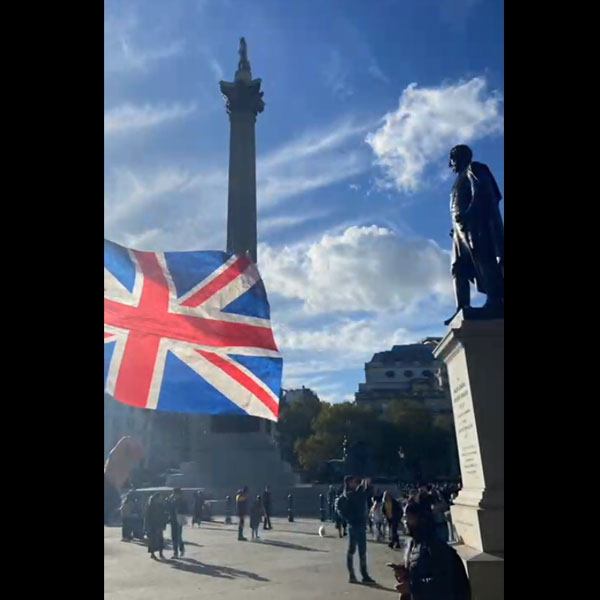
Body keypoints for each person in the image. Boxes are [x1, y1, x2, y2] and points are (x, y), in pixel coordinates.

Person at [445, 144, 504, 325]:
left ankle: (495, 302)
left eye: (452, 159)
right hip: (460, 230)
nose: (450, 164)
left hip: (476, 224)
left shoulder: (475, 168)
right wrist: (456, 229)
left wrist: (470, 214)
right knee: (458, 267)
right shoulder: (457, 181)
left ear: (460, 157)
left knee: (483, 258)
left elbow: (482, 191)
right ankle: (461, 307)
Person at [391, 499, 471, 600]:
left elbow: (445, 583)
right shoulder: (412, 544)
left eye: (409, 517)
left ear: (421, 519)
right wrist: (404, 572)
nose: (405, 522)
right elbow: (420, 573)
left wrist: (412, 587)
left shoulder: (435, 547)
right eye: (404, 517)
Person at [335, 475, 376, 585]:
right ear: (348, 483)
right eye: (353, 482)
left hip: (359, 524)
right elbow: (340, 509)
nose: (355, 484)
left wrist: (367, 485)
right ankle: (353, 575)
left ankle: (363, 574)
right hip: (354, 525)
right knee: (352, 550)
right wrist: (350, 518)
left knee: (361, 551)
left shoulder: (355, 494)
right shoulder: (347, 496)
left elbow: (367, 494)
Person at [167, 488, 188, 559]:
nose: (174, 495)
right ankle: (175, 552)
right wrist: (169, 500)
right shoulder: (172, 501)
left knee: (178, 536)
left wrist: (179, 510)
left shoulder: (182, 501)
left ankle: (181, 549)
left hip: (179, 520)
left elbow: (185, 510)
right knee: (173, 537)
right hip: (173, 520)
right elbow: (168, 508)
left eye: (175, 494)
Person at [144, 493, 166, 560]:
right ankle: (153, 554)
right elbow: (147, 517)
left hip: (158, 525)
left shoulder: (160, 505)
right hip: (153, 525)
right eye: (159, 498)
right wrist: (147, 527)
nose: (160, 499)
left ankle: (160, 553)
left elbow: (163, 515)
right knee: (153, 540)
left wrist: (163, 524)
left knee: (159, 540)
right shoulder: (150, 506)